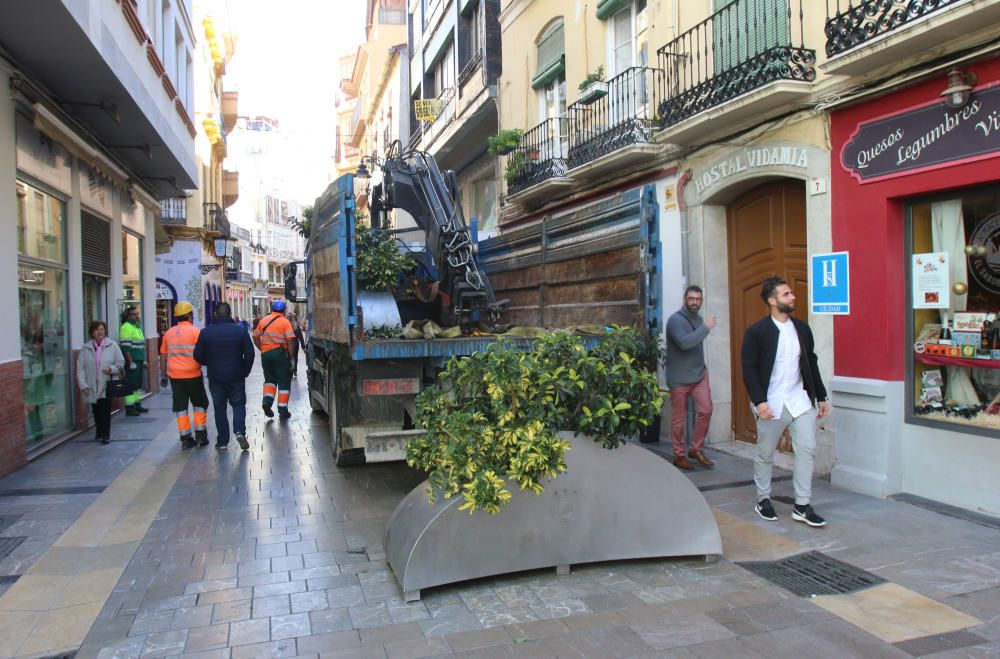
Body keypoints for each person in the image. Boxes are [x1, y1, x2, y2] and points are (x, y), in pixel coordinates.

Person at [741, 276, 829, 527]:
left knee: (807, 450)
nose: (793, 297)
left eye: (791, 293)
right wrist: (759, 402)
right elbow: (749, 369)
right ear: (772, 301)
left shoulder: (802, 328)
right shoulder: (756, 332)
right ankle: (763, 499)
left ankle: (802, 505)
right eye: (786, 294)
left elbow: (811, 363)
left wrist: (820, 396)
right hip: (771, 404)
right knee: (765, 453)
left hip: (799, 400)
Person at [665, 285, 716, 470]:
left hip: (699, 375)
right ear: (684, 299)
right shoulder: (675, 321)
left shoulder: (699, 319)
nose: (695, 302)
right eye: (691, 298)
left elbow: (696, 345)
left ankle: (695, 448)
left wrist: (702, 368)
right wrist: (706, 328)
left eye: (698, 299)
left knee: (706, 410)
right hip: (679, 378)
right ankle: (679, 455)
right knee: (679, 419)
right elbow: (684, 343)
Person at [194, 303, 255, 451]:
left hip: (216, 377)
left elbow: (197, 355)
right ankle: (240, 431)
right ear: (230, 313)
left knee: (219, 408)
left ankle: (222, 441)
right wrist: (245, 370)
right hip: (236, 375)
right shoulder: (240, 331)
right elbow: (250, 354)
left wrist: (209, 363)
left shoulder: (206, 333)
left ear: (215, 314)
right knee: (239, 404)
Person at [160, 301, 210, 449]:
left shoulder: (168, 334)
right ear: (189, 316)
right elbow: (203, 353)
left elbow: (163, 356)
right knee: (199, 404)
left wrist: (163, 375)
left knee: (180, 407)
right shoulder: (196, 332)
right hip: (193, 374)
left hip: (175, 377)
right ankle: (201, 436)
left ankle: (185, 438)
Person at [77, 320, 125, 444]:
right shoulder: (86, 348)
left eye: (102, 329)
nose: (100, 332)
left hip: (106, 384)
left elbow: (121, 363)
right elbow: (80, 368)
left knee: (105, 410)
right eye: (97, 329)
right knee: (96, 410)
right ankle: (99, 431)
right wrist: (83, 385)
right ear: (92, 332)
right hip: (92, 385)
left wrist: (111, 369)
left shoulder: (112, 345)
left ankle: (106, 435)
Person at [253, 300, 298, 420]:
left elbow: (255, 336)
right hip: (280, 354)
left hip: (266, 355)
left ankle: (267, 402)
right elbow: (290, 340)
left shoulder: (264, 320)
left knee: (269, 380)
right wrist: (292, 358)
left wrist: (262, 348)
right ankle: (283, 411)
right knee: (283, 381)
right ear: (283, 310)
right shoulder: (285, 322)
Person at [119, 305, 149, 416]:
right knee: (131, 384)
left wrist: (144, 360)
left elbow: (140, 345)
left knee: (137, 384)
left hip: (139, 360)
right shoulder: (126, 327)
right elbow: (126, 347)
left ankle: (136, 404)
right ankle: (130, 407)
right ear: (128, 316)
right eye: (134, 314)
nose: (136, 316)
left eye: (137, 314)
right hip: (133, 361)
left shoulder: (137, 327)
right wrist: (130, 362)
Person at [287, 312, 306, 378]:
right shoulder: (297, 327)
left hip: (287, 344)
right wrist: (303, 347)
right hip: (295, 344)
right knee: (295, 357)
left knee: (288, 357)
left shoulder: (286, 327)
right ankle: (294, 370)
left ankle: (290, 371)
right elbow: (301, 337)